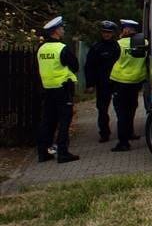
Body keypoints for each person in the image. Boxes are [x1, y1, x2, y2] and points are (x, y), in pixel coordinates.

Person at [35, 16, 80, 163]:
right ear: (55, 31)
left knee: (47, 121)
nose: (63, 30)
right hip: (62, 89)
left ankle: (43, 152)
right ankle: (63, 153)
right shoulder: (62, 48)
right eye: (61, 28)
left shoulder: (41, 49)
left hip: (47, 89)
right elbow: (75, 66)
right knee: (64, 121)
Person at [109, 18, 147, 152]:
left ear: (126, 30)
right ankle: (130, 132)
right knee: (131, 109)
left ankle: (123, 143)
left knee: (121, 113)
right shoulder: (145, 43)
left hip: (120, 81)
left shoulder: (118, 44)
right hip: (136, 81)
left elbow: (111, 60)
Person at [84, 20, 120, 142]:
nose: (106, 34)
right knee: (102, 109)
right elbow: (89, 66)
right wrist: (90, 84)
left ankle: (125, 131)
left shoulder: (117, 46)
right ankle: (104, 133)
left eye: (109, 32)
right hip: (102, 83)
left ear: (113, 33)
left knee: (120, 109)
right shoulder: (96, 47)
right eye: (104, 32)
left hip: (117, 82)